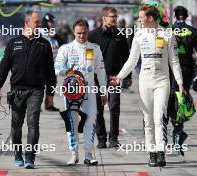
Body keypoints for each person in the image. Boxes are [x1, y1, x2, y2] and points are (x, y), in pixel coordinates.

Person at [110, 4, 185, 167]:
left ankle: (160, 152)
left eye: (141, 17)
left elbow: (174, 61)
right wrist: (119, 77)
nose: (139, 20)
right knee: (148, 119)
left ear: (150, 18)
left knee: (160, 117)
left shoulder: (167, 34)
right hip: (145, 81)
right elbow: (132, 60)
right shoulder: (139, 35)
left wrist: (180, 82)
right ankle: (151, 152)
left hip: (162, 81)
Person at [0, 10, 56, 169]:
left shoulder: (44, 44)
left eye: (40, 22)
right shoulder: (13, 43)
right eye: (37, 22)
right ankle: (18, 154)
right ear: (27, 23)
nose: (40, 25)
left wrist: (50, 94)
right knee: (16, 124)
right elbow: (4, 66)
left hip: (36, 90)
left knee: (33, 122)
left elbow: (50, 71)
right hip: (17, 90)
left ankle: (30, 158)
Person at [55, 19, 107, 165]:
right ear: (73, 32)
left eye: (84, 33)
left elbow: (101, 72)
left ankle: (89, 154)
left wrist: (103, 92)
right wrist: (67, 71)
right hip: (71, 90)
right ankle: (74, 154)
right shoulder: (66, 48)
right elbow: (57, 68)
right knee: (72, 122)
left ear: (88, 31)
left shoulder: (95, 48)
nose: (82, 36)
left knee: (90, 120)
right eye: (79, 33)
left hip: (89, 89)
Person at [88, 6, 131, 148]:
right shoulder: (93, 35)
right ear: (104, 18)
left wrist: (127, 76)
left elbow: (127, 58)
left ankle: (113, 138)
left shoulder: (120, 35)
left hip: (114, 77)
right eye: (112, 17)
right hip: (96, 77)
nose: (115, 19)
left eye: (115, 17)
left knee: (114, 107)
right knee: (98, 109)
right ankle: (101, 139)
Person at [168, 6, 197, 152]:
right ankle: (179, 128)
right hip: (187, 69)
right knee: (183, 96)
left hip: (171, 68)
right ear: (186, 16)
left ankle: (175, 127)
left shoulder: (169, 30)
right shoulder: (193, 31)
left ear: (175, 15)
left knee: (172, 97)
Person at [41, 13, 65, 112]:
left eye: (52, 22)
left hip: (53, 65)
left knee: (52, 84)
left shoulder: (54, 34)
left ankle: (49, 104)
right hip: (41, 65)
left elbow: (63, 44)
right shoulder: (40, 33)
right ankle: (35, 105)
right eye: (50, 22)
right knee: (39, 85)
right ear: (45, 22)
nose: (52, 24)